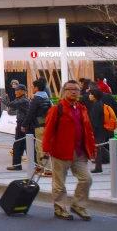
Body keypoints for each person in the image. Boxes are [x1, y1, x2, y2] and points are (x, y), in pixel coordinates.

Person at [43, 80, 97, 220]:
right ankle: (60, 208)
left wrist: (92, 147)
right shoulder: (57, 108)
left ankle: (78, 205)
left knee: (86, 179)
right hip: (61, 151)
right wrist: (46, 149)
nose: (73, 92)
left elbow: (88, 130)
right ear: (64, 91)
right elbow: (48, 130)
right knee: (59, 183)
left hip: (80, 151)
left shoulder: (81, 108)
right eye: (70, 89)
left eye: (76, 89)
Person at [0, 84, 30, 170]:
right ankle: (18, 164)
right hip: (22, 124)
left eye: (18, 90)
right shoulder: (21, 100)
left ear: (24, 91)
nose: (16, 92)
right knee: (21, 144)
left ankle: (18, 164)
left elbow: (10, 104)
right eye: (15, 90)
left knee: (20, 144)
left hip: (24, 125)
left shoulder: (23, 100)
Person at [87, 87, 115, 174]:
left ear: (94, 96)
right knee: (100, 147)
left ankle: (98, 167)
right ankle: (115, 159)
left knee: (98, 148)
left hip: (98, 130)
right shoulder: (100, 104)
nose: (89, 96)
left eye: (91, 94)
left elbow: (94, 120)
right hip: (103, 129)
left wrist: (91, 131)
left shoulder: (96, 105)